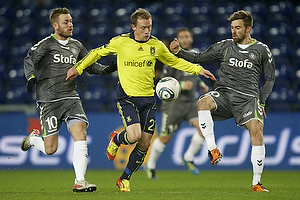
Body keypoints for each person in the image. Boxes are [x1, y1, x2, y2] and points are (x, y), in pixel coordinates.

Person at [66, 8, 216, 192]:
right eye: (143, 27)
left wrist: (197, 69)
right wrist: (78, 68)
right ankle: (117, 139)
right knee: (135, 135)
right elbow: (97, 53)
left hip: (148, 99)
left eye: (149, 27)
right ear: (133, 27)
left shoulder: (156, 45)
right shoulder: (120, 42)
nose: (147, 31)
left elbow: (174, 61)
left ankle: (124, 179)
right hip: (127, 97)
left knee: (145, 143)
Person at [170, 10, 275, 192]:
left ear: (248, 28)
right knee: (202, 102)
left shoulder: (261, 50)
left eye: (238, 28)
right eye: (232, 28)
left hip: (248, 99)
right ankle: (213, 149)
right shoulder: (225, 46)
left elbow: (270, 79)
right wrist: (179, 52)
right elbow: (199, 57)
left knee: (257, 131)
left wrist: (262, 101)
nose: (233, 31)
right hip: (224, 95)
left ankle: (256, 183)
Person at [20, 7, 116, 192]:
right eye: (66, 22)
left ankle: (80, 181)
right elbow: (30, 59)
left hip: (71, 97)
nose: (71, 25)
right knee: (50, 149)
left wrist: (107, 69)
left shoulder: (77, 46)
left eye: (71, 21)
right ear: (55, 25)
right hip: (49, 100)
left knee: (81, 134)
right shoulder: (46, 44)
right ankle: (33, 140)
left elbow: (90, 65)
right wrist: (31, 77)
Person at [145, 27, 209, 179]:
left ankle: (188, 157)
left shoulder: (194, 55)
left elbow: (192, 72)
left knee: (204, 130)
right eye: (182, 37)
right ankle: (151, 165)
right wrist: (180, 85)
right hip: (175, 104)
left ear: (191, 39)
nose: (185, 39)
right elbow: (163, 82)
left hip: (191, 102)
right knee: (165, 138)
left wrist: (200, 83)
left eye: (187, 36)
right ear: (178, 40)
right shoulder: (172, 58)